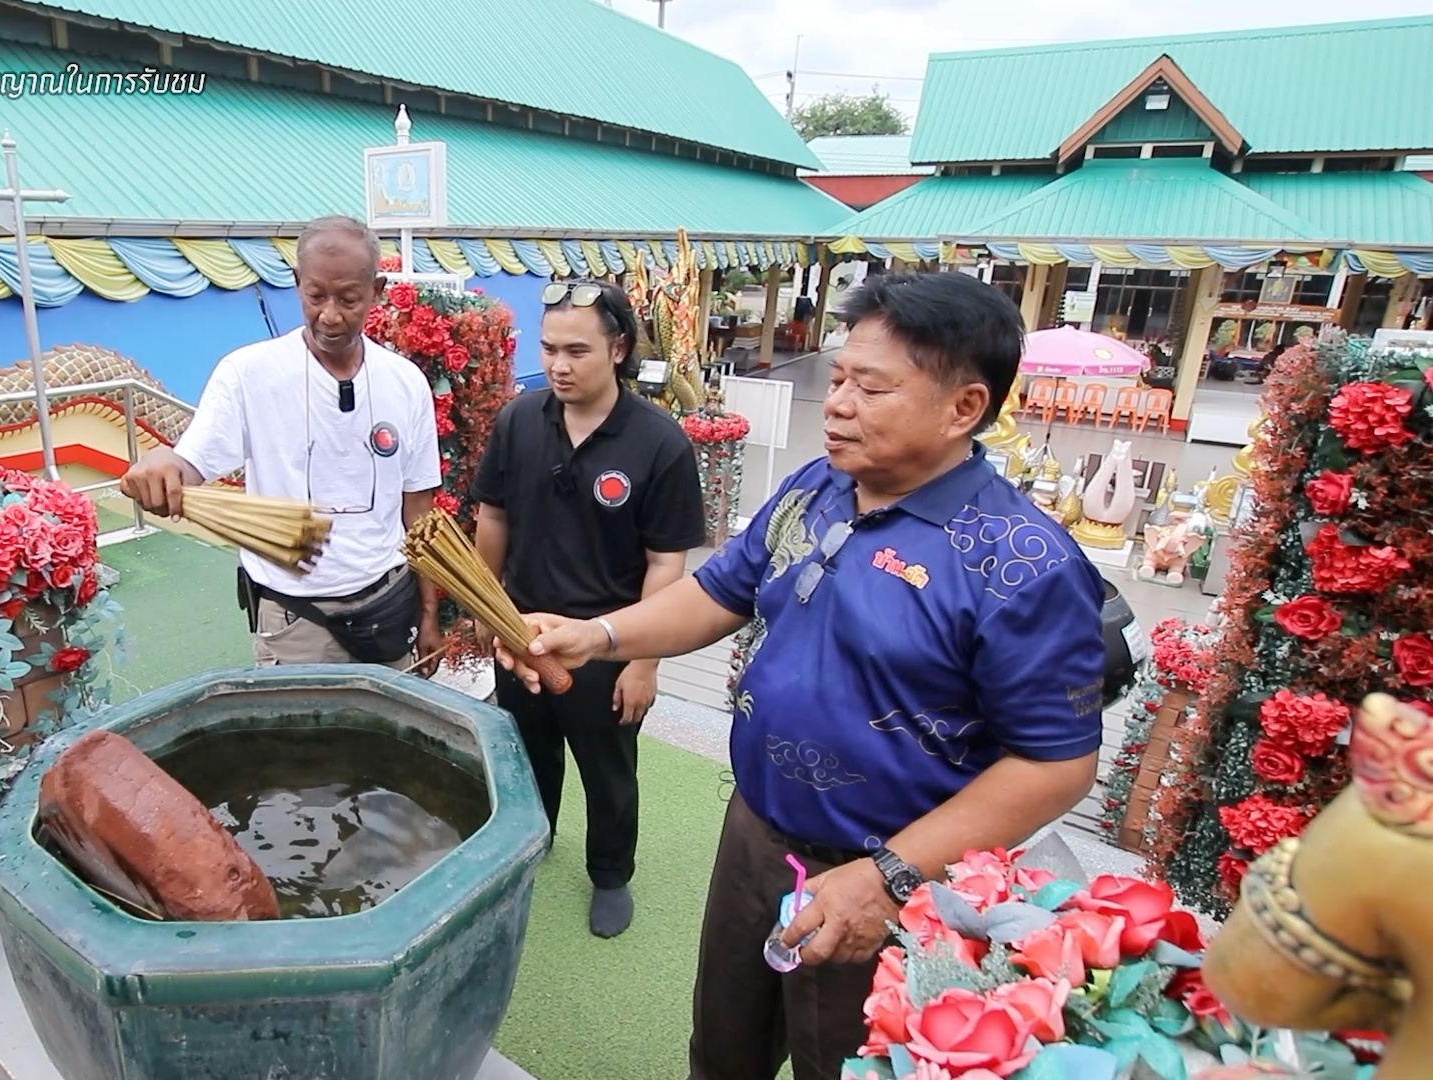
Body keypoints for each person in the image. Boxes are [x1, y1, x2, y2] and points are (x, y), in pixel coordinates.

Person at [498, 271, 1105, 1078]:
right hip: (756, 831)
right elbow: (720, 592)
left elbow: (1056, 763)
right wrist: (599, 635)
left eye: (871, 388)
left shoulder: (1020, 563)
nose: (838, 405)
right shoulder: (817, 488)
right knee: (723, 1049)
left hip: (890, 876)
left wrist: (889, 877)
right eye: (839, 378)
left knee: (842, 1063)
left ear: (964, 407)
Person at [470, 279, 705, 938]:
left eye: (577, 351)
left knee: (608, 771)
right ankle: (531, 841)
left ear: (618, 349)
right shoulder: (519, 421)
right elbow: (494, 517)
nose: (559, 365)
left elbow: (666, 563)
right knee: (524, 756)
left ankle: (610, 874)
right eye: (549, 349)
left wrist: (643, 661)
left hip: (608, 644)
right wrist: (487, 607)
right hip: (521, 632)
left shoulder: (659, 443)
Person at [120, 216, 445, 673]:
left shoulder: (406, 382)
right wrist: (162, 464)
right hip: (295, 621)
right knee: (297, 724)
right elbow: (189, 463)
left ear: (376, 291)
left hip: (388, 608)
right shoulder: (248, 374)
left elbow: (419, 512)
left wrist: (428, 615)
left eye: (349, 299)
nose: (330, 315)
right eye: (315, 296)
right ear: (296, 283)